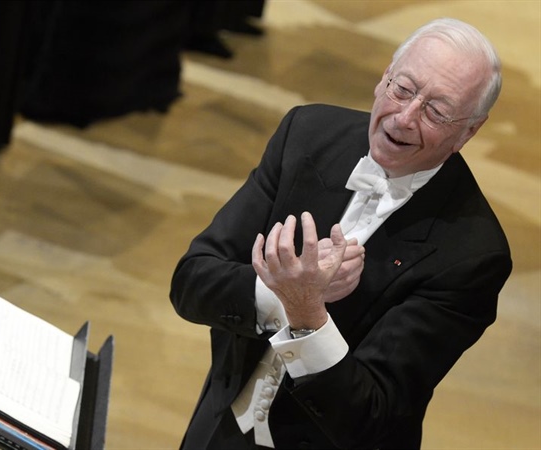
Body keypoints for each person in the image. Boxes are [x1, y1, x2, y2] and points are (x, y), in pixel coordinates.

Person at [170, 17, 512, 449]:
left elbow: (368, 414)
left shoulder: (473, 254)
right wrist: (283, 294)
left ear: (469, 131)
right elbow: (191, 282)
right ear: (382, 79)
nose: (405, 118)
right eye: (402, 89)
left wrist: (308, 313)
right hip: (219, 425)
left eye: (437, 111)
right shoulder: (305, 134)